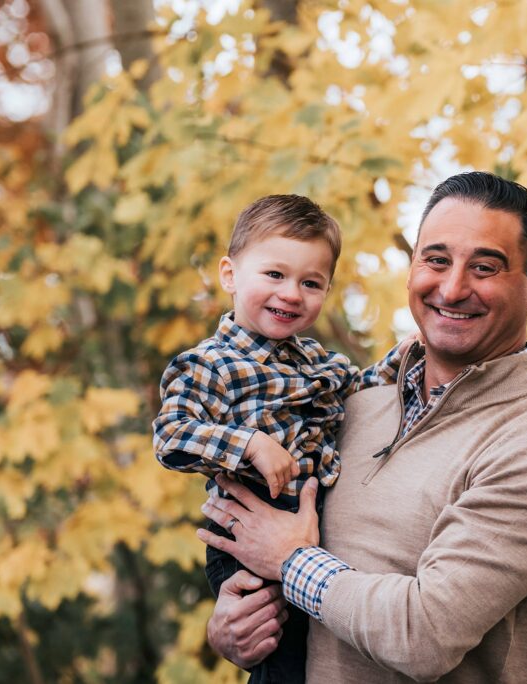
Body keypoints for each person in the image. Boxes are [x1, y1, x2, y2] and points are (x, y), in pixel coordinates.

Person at [197, 172, 527, 682]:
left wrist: (291, 560)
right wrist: (232, 627)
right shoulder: (354, 407)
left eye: (484, 267)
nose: (453, 288)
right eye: (436, 260)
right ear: (412, 269)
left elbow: (424, 635)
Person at [152, 194, 409, 684]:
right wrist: (248, 444)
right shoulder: (211, 365)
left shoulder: (318, 362)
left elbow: (358, 395)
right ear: (230, 275)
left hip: (311, 540)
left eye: (310, 283)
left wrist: (399, 359)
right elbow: (171, 434)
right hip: (245, 542)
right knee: (283, 659)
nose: (291, 293)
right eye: (274, 275)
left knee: (326, 653)